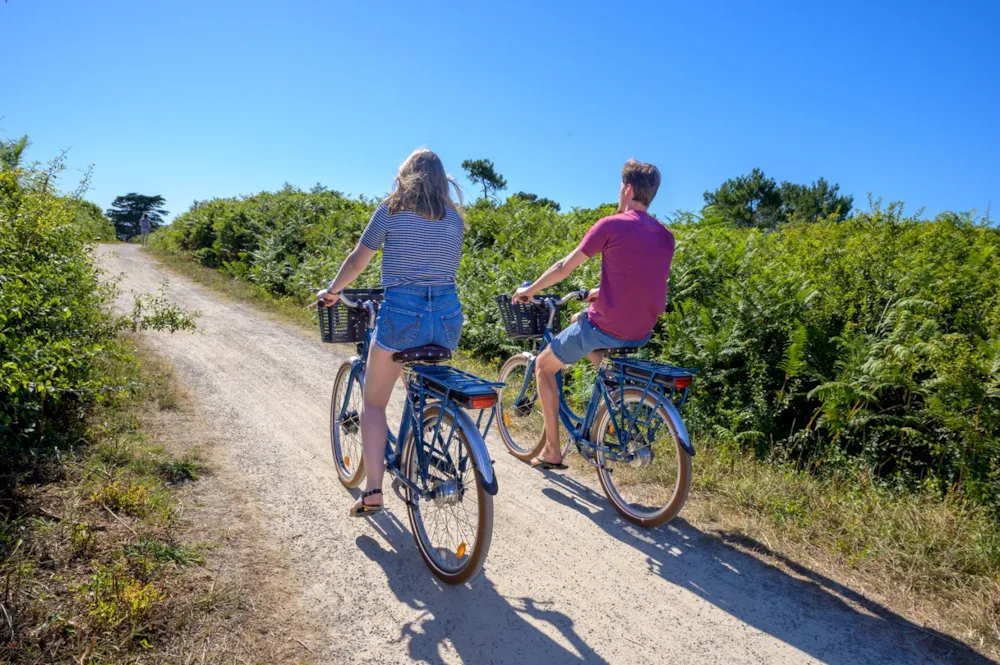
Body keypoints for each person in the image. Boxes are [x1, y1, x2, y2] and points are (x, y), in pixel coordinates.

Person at [316, 149, 466, 517]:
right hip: (447, 317)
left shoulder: (392, 208)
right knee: (416, 380)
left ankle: (373, 491)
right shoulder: (454, 219)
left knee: (373, 403)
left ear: (407, 175)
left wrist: (333, 291)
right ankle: (417, 435)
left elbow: (359, 259)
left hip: (403, 312)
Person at [513, 159, 674, 469]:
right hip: (642, 330)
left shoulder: (612, 225)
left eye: (620, 187)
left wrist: (530, 289)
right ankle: (610, 385)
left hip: (608, 326)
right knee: (579, 319)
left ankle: (552, 451)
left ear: (628, 189)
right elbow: (644, 278)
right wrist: (602, 291)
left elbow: (564, 267)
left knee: (544, 366)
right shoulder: (666, 236)